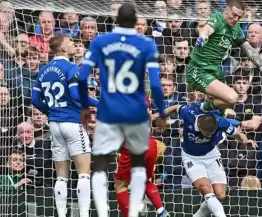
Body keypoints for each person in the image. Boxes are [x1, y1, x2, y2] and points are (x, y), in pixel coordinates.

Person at [77, 3, 166, 217]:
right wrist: (161, 112)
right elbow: (155, 85)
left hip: (110, 111)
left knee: (101, 166)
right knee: (138, 172)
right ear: (136, 23)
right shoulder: (146, 44)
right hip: (136, 113)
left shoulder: (100, 41)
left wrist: (84, 107)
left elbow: (81, 77)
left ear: (115, 20)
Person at [31, 34, 99, 217]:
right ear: (62, 48)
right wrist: (100, 103)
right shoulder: (71, 68)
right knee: (84, 172)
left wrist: (51, 111)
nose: (73, 46)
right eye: (70, 43)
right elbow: (77, 96)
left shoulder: (44, 70)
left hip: (54, 124)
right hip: (72, 122)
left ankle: (62, 214)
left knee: (61, 175)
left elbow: (35, 99)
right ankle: (84, 214)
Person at [154, 102, 256, 217]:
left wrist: (244, 140)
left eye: (211, 133)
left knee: (220, 195)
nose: (209, 135)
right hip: (191, 157)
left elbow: (237, 133)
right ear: (200, 126)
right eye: (207, 133)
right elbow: (175, 107)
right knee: (206, 189)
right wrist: (158, 114)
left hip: (212, 155)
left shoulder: (221, 122)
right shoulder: (189, 113)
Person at [187, 0, 262, 113]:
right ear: (226, 10)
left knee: (227, 105)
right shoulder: (218, 18)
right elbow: (206, 29)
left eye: (239, 17)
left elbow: (249, 50)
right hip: (198, 70)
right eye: (234, 15)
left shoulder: (236, 29)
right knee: (232, 97)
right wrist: (202, 37)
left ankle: (204, 113)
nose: (236, 19)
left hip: (214, 71)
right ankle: (200, 108)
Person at [115, 96, 170, 217]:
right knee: (144, 180)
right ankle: (162, 211)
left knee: (120, 186)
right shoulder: (144, 97)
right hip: (150, 143)